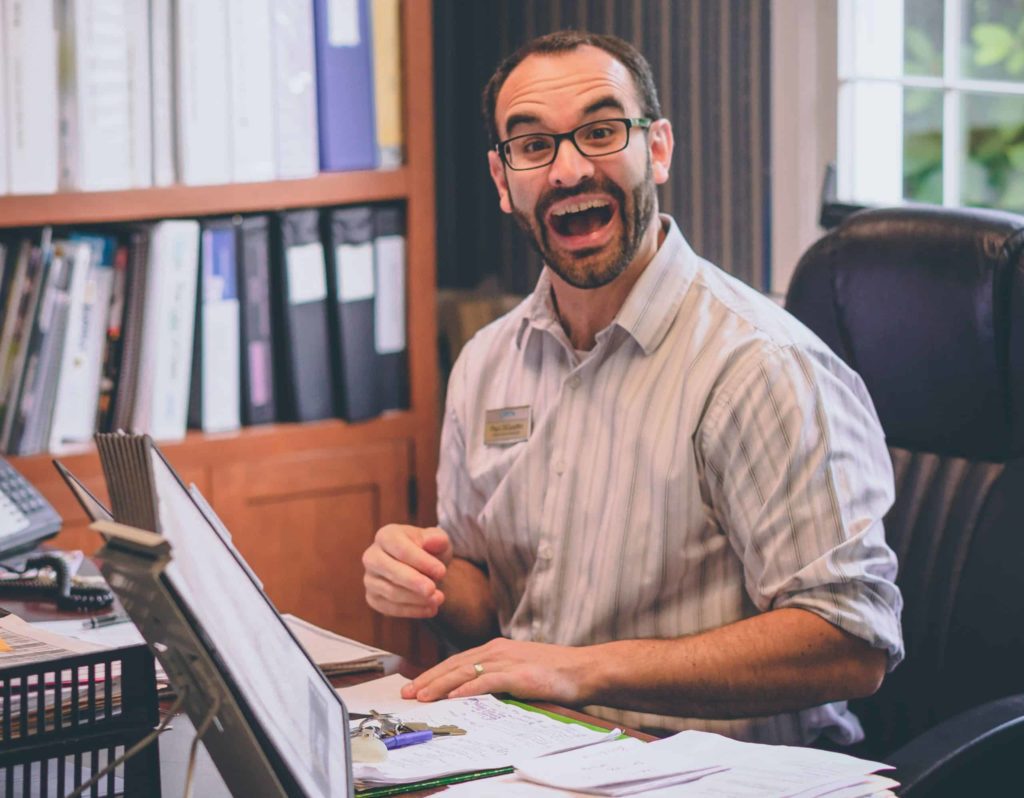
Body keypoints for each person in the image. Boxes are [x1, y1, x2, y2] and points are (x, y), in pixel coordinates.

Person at [362, 30, 903, 746]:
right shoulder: (488, 361)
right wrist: (427, 581)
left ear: (657, 149)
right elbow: (488, 604)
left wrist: (583, 672)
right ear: (503, 181)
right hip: (539, 753)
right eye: (532, 146)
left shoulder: (760, 366)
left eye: (601, 131)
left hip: (724, 775)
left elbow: (852, 641)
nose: (568, 170)